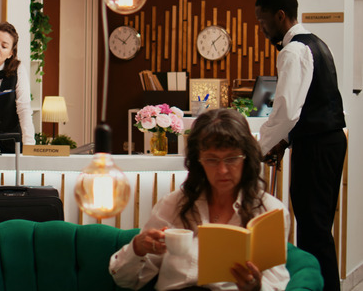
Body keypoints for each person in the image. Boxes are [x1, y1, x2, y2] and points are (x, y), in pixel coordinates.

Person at [109, 108, 289, 291]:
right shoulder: (173, 205)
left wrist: (256, 287)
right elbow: (126, 280)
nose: (222, 170)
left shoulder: (268, 211)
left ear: (246, 158)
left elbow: (276, 284)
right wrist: (138, 248)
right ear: (198, 161)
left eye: (232, 159)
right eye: (211, 160)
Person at [255, 0, 347, 291]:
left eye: (263, 20)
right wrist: (284, 142)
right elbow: (307, 105)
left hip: (316, 147)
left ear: (280, 16)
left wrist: (258, 148)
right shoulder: (317, 43)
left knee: (313, 229)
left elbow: (286, 111)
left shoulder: (293, 51)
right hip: (330, 142)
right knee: (319, 227)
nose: (261, 28)